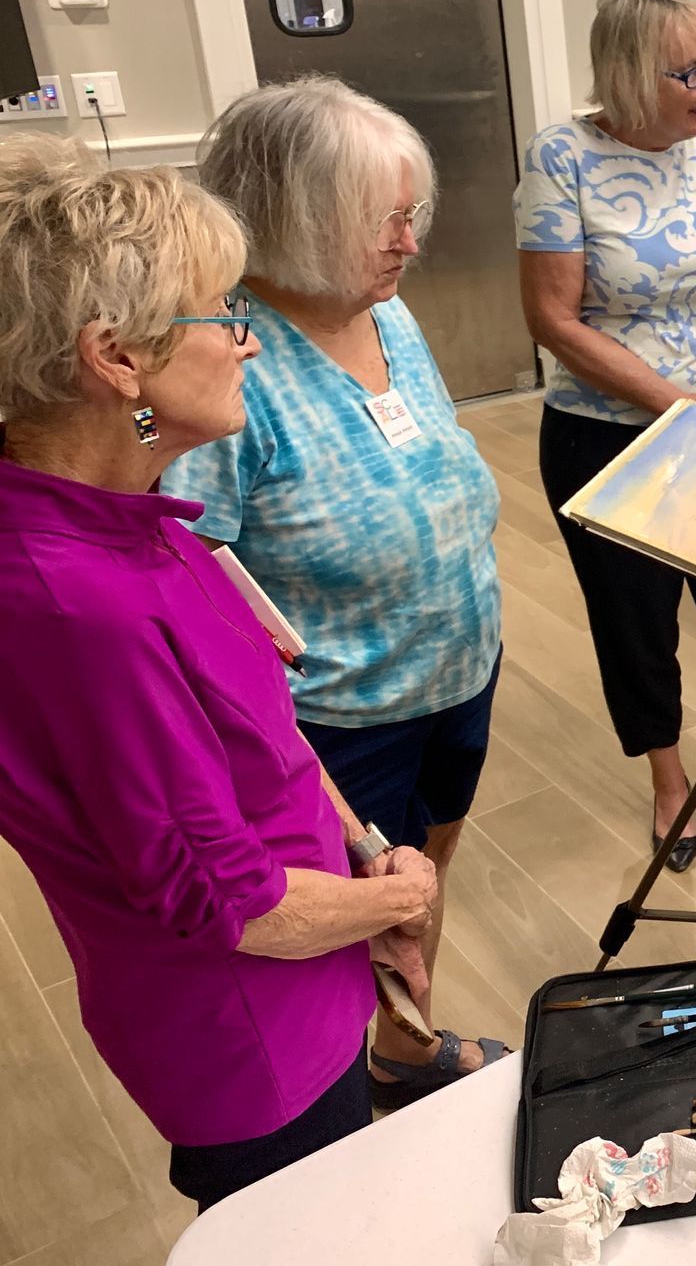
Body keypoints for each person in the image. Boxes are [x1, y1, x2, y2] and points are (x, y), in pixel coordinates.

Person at [0, 135, 439, 1210]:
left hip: (307, 957)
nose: (247, 345)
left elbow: (264, 739)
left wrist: (360, 856)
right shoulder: (77, 605)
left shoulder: (128, 522)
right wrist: (399, 899)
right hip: (252, 1037)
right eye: (223, 316)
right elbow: (225, 905)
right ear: (119, 360)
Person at [163, 77, 506, 1110]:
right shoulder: (232, 362)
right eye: (384, 220)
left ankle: (405, 1044)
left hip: (455, 671)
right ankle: (345, 1097)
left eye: (413, 214)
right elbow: (200, 596)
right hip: (339, 723)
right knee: (351, 917)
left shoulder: (385, 314)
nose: (409, 240)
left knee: (420, 884)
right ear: (294, 224)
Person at [517, 0, 696, 873]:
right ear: (635, 77)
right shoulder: (561, 156)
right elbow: (555, 320)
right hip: (606, 437)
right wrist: (681, 409)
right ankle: (668, 780)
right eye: (691, 70)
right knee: (636, 626)